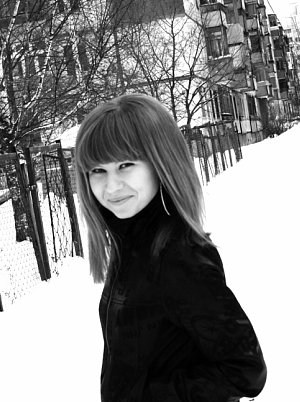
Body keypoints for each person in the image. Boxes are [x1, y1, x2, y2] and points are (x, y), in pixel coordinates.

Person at [74, 93, 267, 402]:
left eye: (125, 165)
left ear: (160, 162)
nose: (111, 186)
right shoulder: (130, 241)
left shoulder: (178, 257)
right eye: (98, 170)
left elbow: (244, 370)